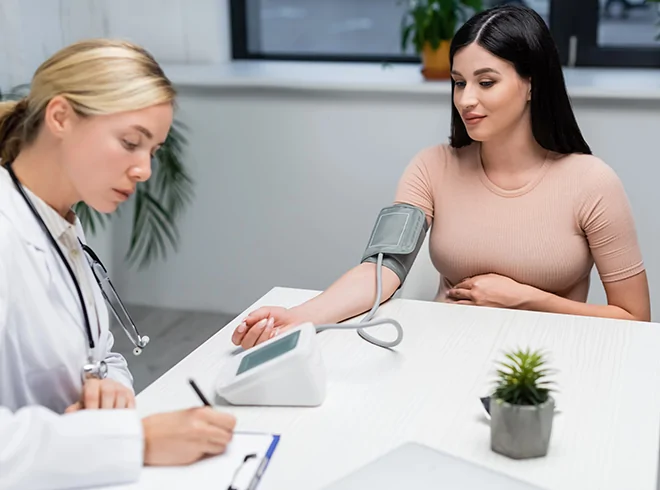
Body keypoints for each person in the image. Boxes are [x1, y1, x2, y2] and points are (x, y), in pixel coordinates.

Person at [233, 5, 650, 350]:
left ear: (531, 85)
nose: (466, 99)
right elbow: (382, 270)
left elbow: (635, 318)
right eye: (458, 82)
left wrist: (526, 299)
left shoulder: (592, 183)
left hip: (545, 369)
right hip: (444, 352)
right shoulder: (431, 167)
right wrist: (300, 316)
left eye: (486, 82)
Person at [0, 39, 236, 489]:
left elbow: (101, 352)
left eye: (153, 151)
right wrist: (136, 440)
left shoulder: (62, 224)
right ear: (61, 117)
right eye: (131, 142)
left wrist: (108, 390)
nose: (144, 170)